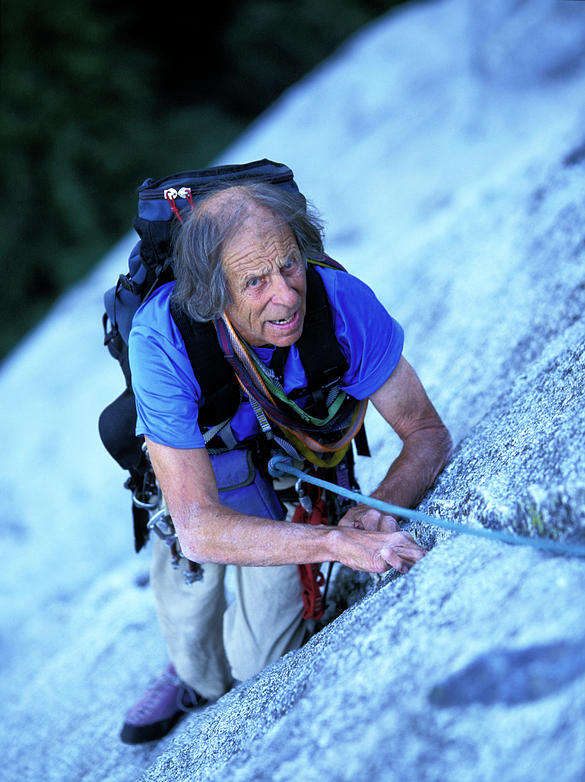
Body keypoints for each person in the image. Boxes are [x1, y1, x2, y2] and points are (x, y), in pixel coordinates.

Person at [120, 179, 452, 743]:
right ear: (212, 293)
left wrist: (380, 509)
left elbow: (426, 432)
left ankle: (216, 664)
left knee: (259, 665)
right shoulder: (162, 341)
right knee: (194, 628)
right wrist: (330, 543)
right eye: (254, 281)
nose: (287, 295)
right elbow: (198, 528)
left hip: (289, 469)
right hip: (197, 472)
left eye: (289, 266)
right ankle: (188, 676)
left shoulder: (340, 301)